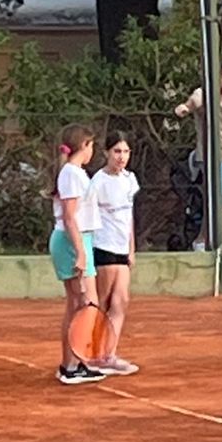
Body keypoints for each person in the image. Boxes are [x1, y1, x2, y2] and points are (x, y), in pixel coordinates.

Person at [50, 124, 105, 385]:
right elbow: (70, 217)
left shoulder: (74, 173)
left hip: (77, 239)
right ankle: (73, 364)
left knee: (78, 304)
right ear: (84, 146)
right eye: (91, 145)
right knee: (86, 304)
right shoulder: (71, 174)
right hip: (72, 241)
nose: (92, 150)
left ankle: (73, 363)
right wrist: (81, 254)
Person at [173, 62, 222, 249]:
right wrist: (183, 108)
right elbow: (191, 104)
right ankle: (203, 241)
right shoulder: (203, 94)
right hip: (214, 160)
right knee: (220, 204)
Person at [88, 130, 140, 376]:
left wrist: (131, 248)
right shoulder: (97, 182)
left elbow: (128, 217)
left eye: (126, 152)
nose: (121, 157)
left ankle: (108, 354)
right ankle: (92, 354)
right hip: (103, 248)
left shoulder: (130, 179)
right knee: (103, 303)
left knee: (121, 303)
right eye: (117, 151)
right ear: (106, 153)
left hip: (121, 250)